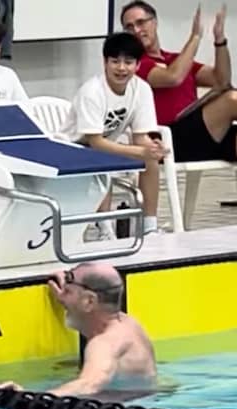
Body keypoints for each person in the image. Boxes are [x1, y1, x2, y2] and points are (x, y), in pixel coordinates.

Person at [0, 263, 157, 398]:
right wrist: (70, 294)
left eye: (68, 292)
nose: (62, 296)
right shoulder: (129, 324)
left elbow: (89, 384)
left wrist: (29, 398)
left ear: (89, 301)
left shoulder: (104, 344)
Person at [63, 32, 167, 241]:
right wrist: (139, 150)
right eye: (115, 61)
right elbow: (95, 142)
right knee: (102, 162)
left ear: (138, 65)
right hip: (72, 149)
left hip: (105, 146)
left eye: (128, 62)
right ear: (105, 62)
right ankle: (104, 229)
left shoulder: (142, 89)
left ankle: (149, 226)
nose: (121, 68)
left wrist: (153, 148)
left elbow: (140, 137)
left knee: (150, 161)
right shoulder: (92, 91)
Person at [122, 2, 235, 164]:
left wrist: (220, 40)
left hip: (202, 134)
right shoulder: (136, 64)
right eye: (129, 27)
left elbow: (221, 80)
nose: (136, 31)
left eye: (140, 23)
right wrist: (195, 36)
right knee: (232, 99)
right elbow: (173, 77)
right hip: (170, 139)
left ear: (154, 22)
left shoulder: (175, 59)